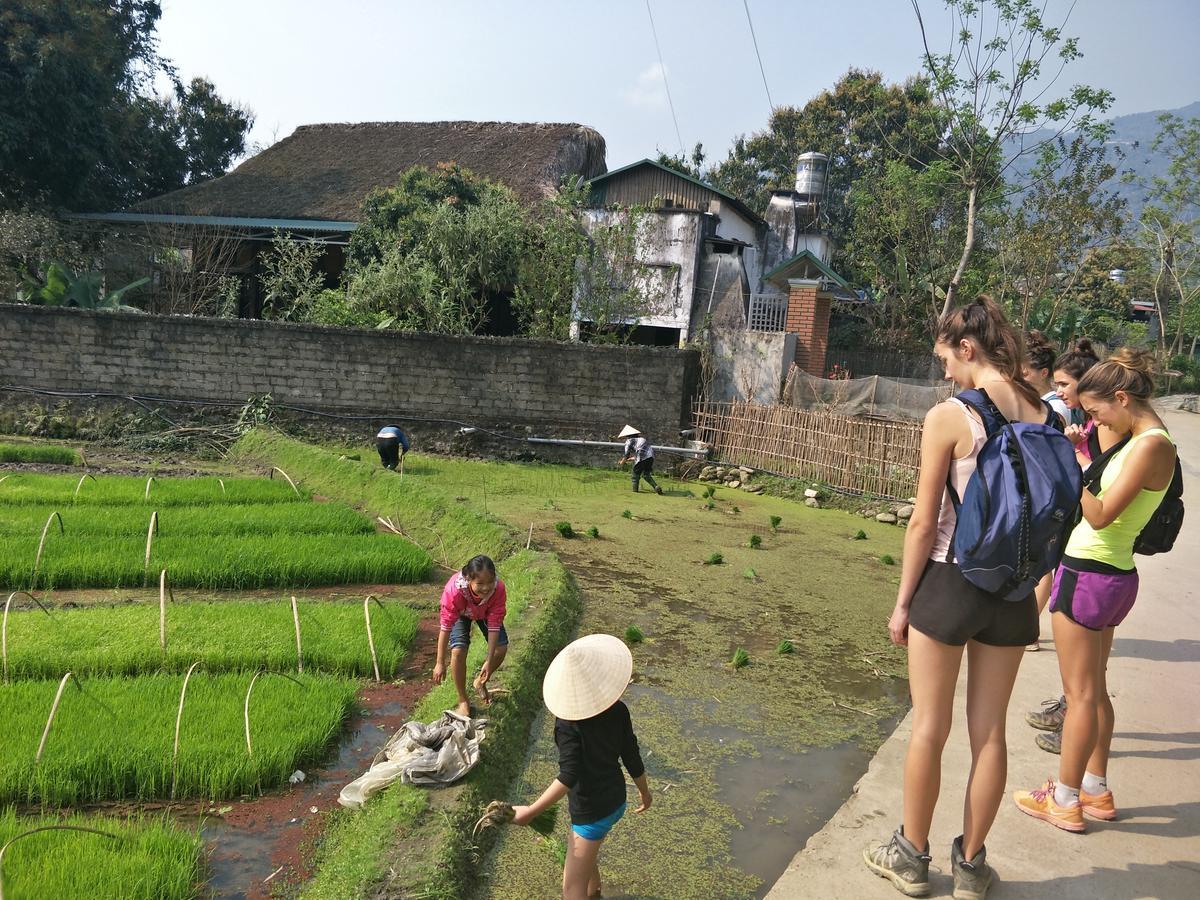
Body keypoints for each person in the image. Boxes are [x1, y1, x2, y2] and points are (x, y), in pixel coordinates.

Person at [864, 296, 1053, 900]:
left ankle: (911, 857)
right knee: (990, 733)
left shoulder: (951, 415)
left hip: (950, 581)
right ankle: (972, 867)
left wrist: (902, 602)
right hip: (1015, 588)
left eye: (945, 357)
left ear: (966, 348)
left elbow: (924, 523)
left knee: (929, 728)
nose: (943, 370)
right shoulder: (1042, 413)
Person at [1014, 350, 1176, 833]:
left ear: (1122, 398)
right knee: (1095, 690)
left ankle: (1063, 799)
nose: (1095, 421)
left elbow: (1100, 513)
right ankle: (1095, 789)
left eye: (1099, 411)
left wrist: (1069, 463)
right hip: (1112, 574)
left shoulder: (1149, 445)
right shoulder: (1147, 441)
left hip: (1089, 571)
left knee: (1079, 695)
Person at [512, 633, 652, 900]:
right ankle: (594, 891)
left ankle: (588, 891)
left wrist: (530, 812)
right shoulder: (618, 709)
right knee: (586, 864)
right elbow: (631, 755)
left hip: (592, 811)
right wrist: (645, 792)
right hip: (616, 800)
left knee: (571, 891)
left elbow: (568, 775)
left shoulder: (567, 725)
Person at [1023, 331, 1072, 652]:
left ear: (1043, 373)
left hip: (1050, 496)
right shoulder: (1041, 404)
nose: (1021, 377)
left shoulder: (1057, 410)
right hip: (1043, 493)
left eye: (1025, 372)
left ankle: (1029, 630)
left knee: (1043, 565)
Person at [432, 555, 507, 717]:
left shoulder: (498, 589)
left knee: (501, 649)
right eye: (480, 584)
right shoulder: (454, 591)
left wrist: (489, 660)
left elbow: (494, 625)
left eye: (490, 582)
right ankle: (463, 699)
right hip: (461, 613)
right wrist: (439, 663)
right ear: (468, 579)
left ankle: (480, 682)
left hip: (485, 612)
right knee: (458, 651)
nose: (486, 588)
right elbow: (445, 627)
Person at [618, 425, 662, 495]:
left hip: (641, 458)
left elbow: (627, 454)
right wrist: (631, 459)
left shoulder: (629, 441)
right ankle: (656, 486)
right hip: (650, 457)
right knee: (646, 474)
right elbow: (642, 451)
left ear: (627, 436)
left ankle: (635, 490)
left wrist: (622, 462)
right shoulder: (643, 439)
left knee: (635, 474)